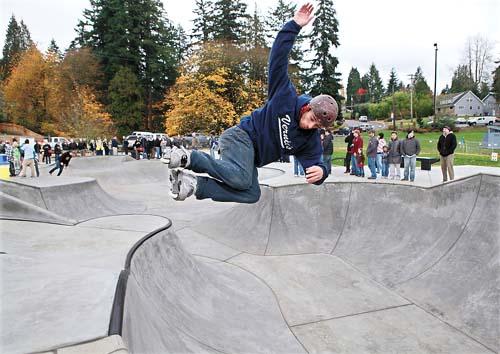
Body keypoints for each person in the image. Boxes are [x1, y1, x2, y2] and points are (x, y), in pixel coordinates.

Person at [163, 4, 336, 203]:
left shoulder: (309, 139)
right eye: (312, 119)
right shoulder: (285, 96)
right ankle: (190, 158)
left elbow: (316, 164)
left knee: (251, 194)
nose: (311, 126)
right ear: (307, 108)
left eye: (317, 127)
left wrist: (321, 172)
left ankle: (193, 185)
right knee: (242, 179)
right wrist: (294, 26)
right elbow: (278, 58)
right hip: (241, 136)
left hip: (250, 157)